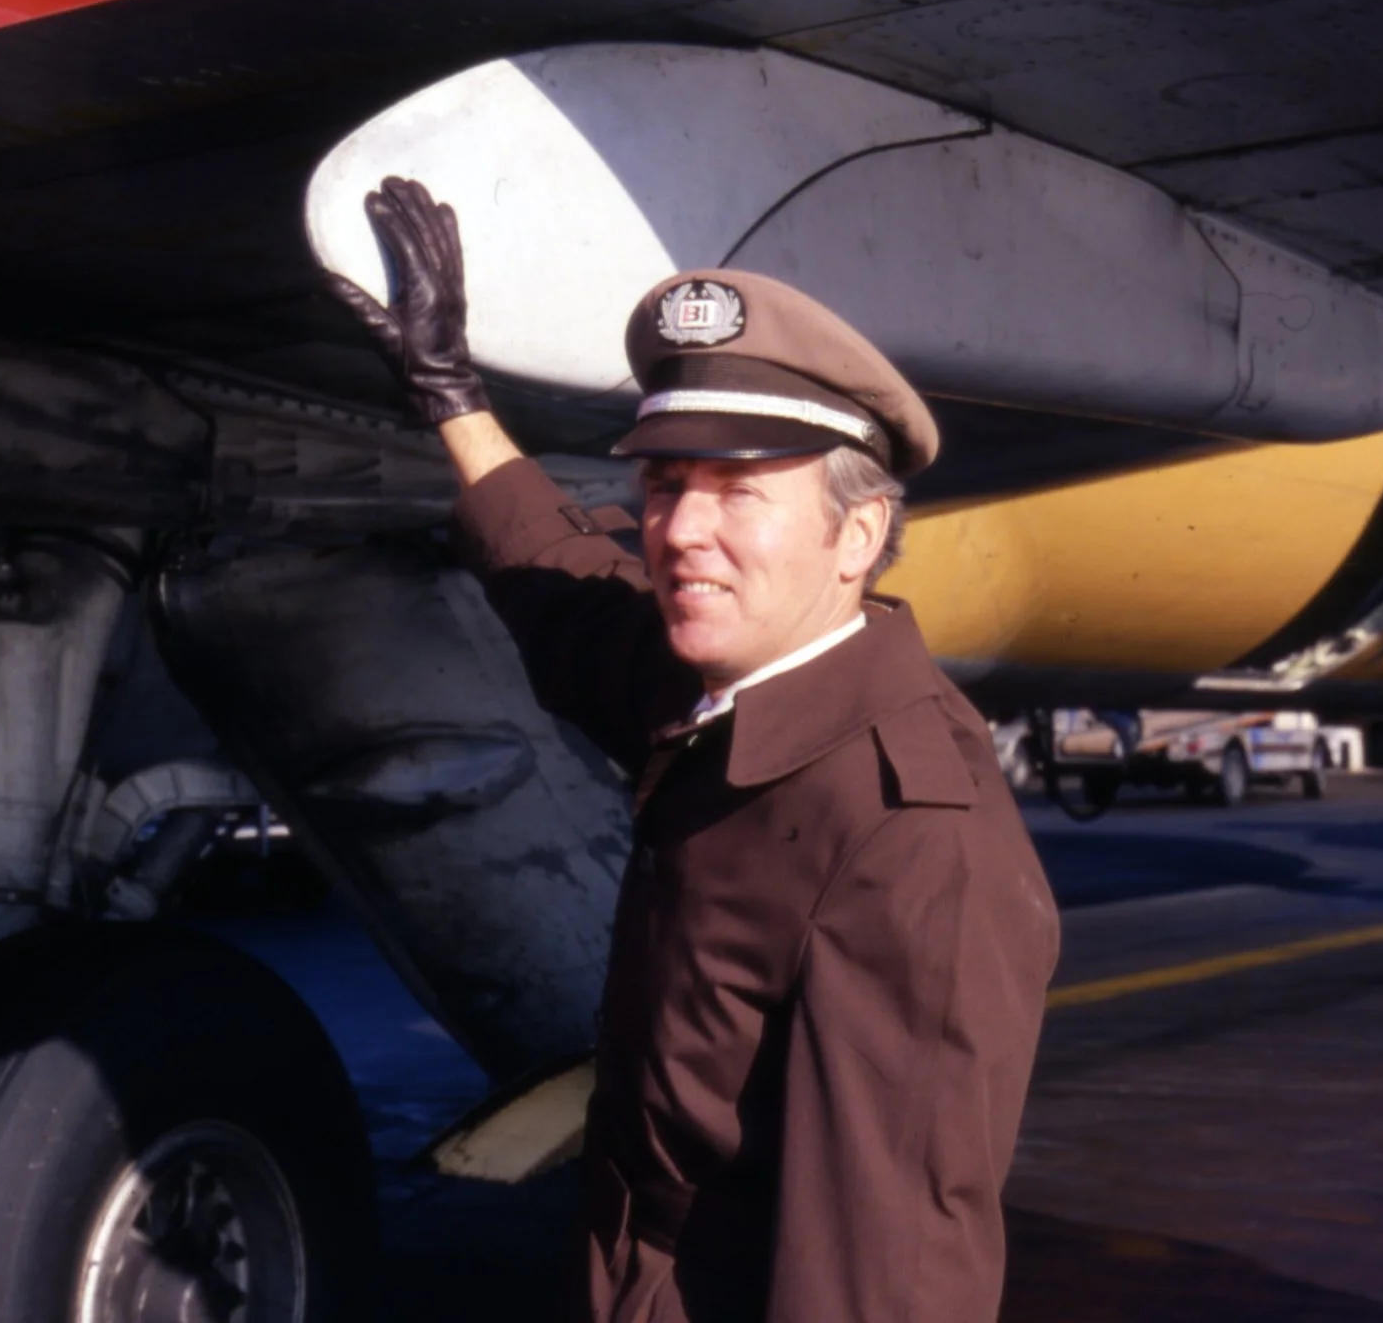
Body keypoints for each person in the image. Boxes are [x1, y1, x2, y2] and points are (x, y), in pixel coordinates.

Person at [330, 178, 1060, 1323]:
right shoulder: (730, 682)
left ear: (855, 534)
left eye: (738, 492)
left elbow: (888, 1273)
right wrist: (449, 393)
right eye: (665, 485)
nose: (679, 531)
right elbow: (563, 588)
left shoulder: (912, 838)